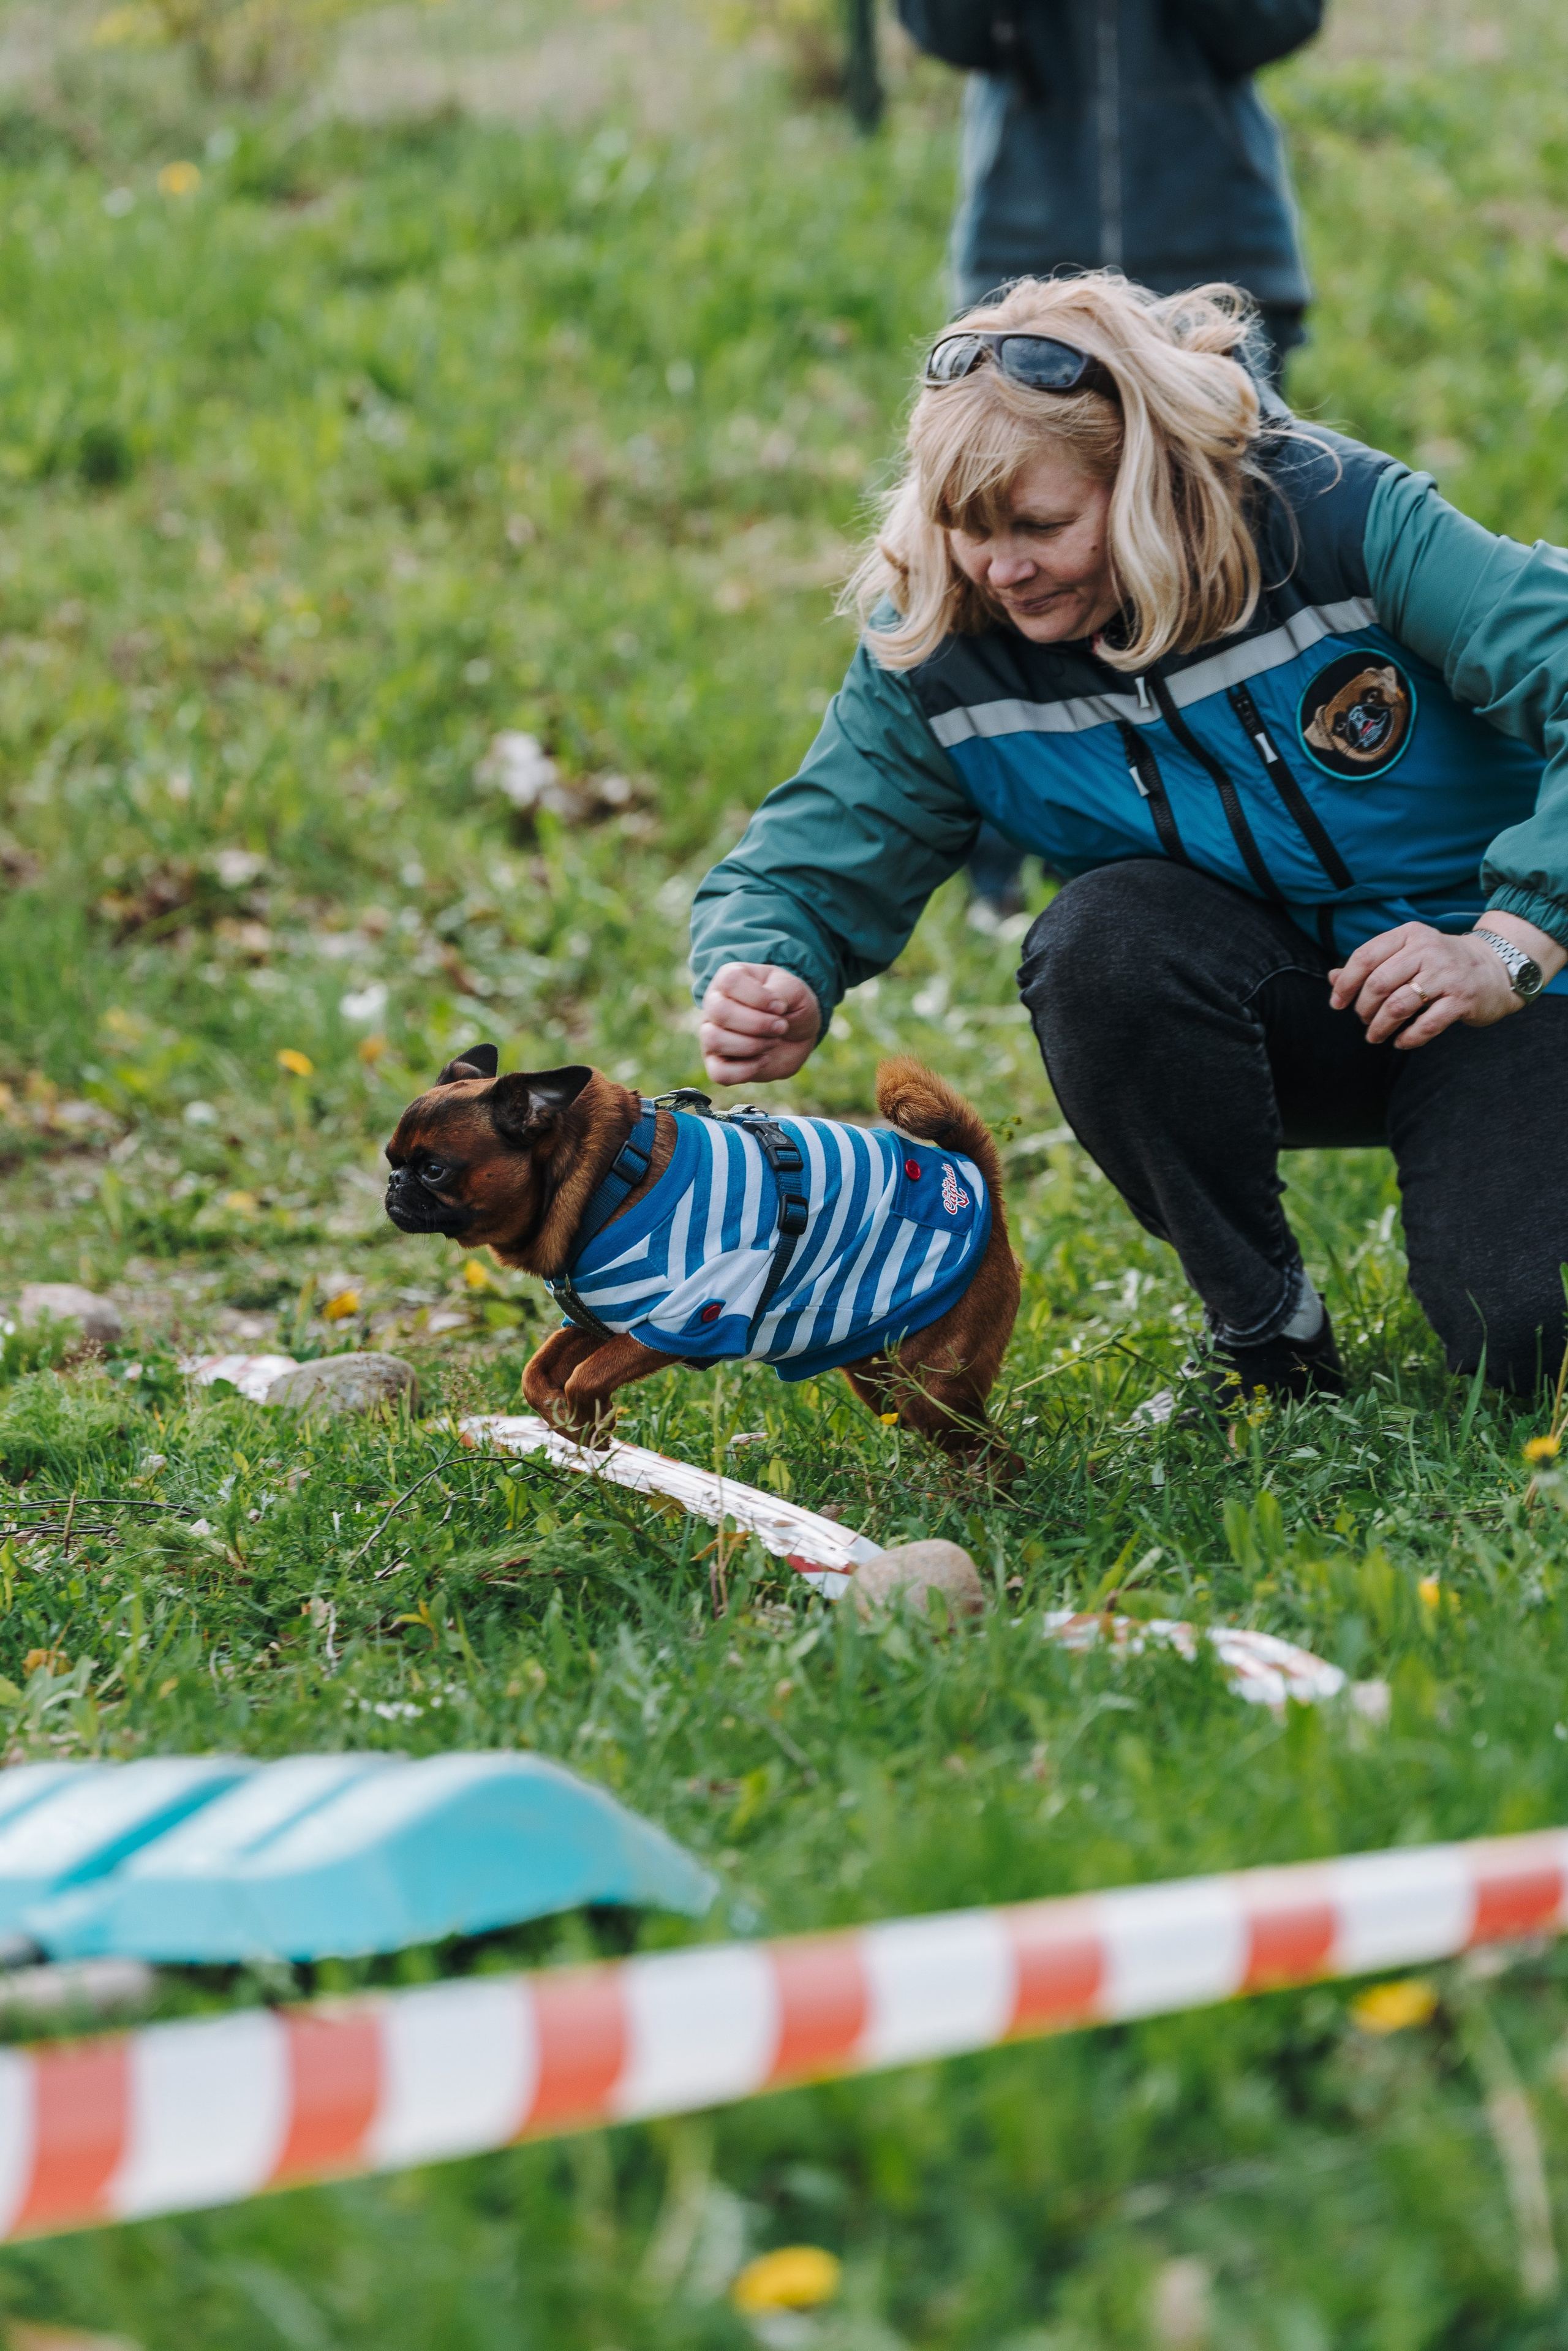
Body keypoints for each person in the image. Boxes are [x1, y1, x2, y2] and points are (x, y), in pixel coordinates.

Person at [689, 274, 1568, 1409]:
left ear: (1147, 480)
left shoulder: (1336, 518)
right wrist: (767, 964)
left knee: (1526, 1337)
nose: (1001, 569)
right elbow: (814, 852)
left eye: (1041, 526)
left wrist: (1509, 941)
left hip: (1509, 989)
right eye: (968, 530)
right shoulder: (946, 641)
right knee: (1100, 941)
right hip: (1298, 1003)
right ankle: (1265, 1336)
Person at [899, 0, 1324, 918]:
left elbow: (1275, 25)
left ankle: (1240, 848)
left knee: (1224, 559)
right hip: (1023, 259)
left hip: (1216, 256)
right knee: (1013, 562)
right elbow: (947, 33)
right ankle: (1005, 867)